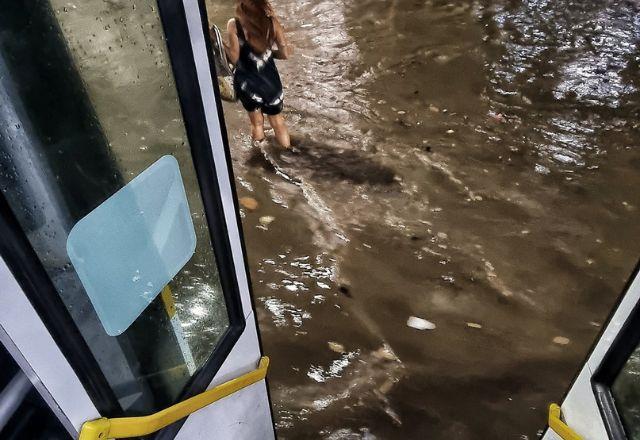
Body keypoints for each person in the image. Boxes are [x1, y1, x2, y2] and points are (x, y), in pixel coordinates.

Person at [225, 0, 291, 148]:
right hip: (271, 84)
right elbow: (284, 54)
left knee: (257, 124)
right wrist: (267, 54)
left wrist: (220, 44)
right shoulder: (272, 23)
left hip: (248, 85)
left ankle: (260, 158)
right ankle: (287, 151)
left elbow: (234, 57)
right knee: (278, 123)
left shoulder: (234, 24)